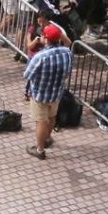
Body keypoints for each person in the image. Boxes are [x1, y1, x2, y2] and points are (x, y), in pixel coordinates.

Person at [23, 25, 74, 160]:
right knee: (51, 117)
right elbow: (68, 71)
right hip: (57, 92)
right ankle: (47, 138)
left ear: (45, 38)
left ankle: (40, 150)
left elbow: (27, 75)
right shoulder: (67, 52)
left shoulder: (40, 56)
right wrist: (59, 34)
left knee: (41, 121)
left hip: (40, 94)